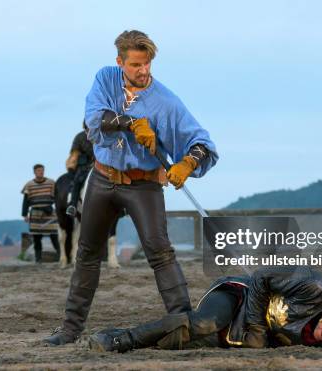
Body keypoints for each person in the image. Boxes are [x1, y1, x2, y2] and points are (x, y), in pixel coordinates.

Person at [43, 30, 218, 346]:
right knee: (87, 253)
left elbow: (203, 144)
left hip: (143, 185)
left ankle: (185, 324)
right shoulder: (105, 79)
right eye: (136, 64)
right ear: (120, 62)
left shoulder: (167, 103)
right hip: (102, 177)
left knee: (160, 252)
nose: (143, 71)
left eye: (147, 63)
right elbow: (94, 119)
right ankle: (69, 330)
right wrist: (130, 122)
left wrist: (187, 164)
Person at [89, 267, 322, 352]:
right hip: (237, 294)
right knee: (203, 323)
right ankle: (120, 338)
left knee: (177, 342)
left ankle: (136, 342)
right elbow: (263, 276)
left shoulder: (320, 342)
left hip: (238, 337)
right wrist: (257, 329)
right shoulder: (312, 286)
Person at [22, 164, 60, 263]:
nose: (41, 172)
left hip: (49, 213)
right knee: (37, 238)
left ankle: (62, 256)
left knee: (54, 236)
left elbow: (57, 198)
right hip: (35, 214)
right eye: (38, 171)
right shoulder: (29, 185)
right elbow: (25, 201)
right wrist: (25, 214)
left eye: (42, 170)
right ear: (34, 172)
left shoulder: (51, 183)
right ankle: (38, 259)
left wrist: (59, 210)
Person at [65, 121, 95, 217]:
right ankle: (72, 206)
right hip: (85, 166)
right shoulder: (80, 137)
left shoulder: (101, 135)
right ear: (85, 127)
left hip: (101, 163)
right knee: (78, 180)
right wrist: (71, 167)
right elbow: (74, 154)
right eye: (88, 127)